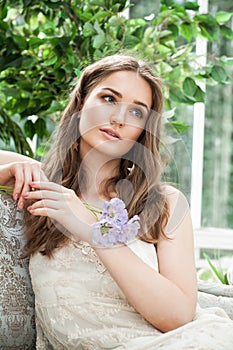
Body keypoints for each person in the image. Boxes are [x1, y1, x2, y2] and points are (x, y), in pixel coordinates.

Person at [0, 54, 233, 349]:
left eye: (136, 113)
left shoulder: (165, 204)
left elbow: (178, 317)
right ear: (82, 102)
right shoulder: (45, 186)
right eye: (109, 99)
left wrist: (94, 232)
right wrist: (8, 171)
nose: (119, 119)